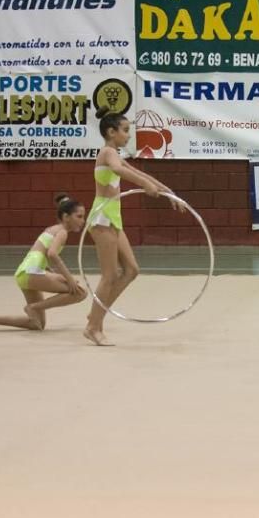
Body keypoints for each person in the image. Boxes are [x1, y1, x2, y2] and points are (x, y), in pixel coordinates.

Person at [84, 107, 183, 346]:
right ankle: (93, 326)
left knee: (131, 270)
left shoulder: (115, 154)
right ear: (111, 131)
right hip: (102, 219)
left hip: (113, 219)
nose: (129, 135)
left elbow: (134, 171)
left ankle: (96, 313)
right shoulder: (108, 152)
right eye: (125, 130)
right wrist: (145, 186)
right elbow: (120, 171)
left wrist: (168, 191)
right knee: (110, 275)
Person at [0, 193, 88, 331]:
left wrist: (55, 275)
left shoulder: (52, 229)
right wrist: (69, 278)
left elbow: (42, 255)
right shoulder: (62, 232)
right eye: (79, 217)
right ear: (66, 217)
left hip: (25, 273)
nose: (83, 221)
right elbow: (52, 254)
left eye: (83, 217)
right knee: (80, 293)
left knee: (37, 324)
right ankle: (33, 307)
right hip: (31, 272)